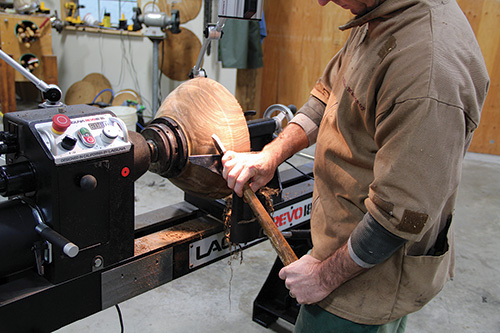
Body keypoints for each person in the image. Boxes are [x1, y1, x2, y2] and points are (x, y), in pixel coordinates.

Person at [221, 0, 490, 331]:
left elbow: (401, 214)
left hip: (363, 279)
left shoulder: (428, 69)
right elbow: (329, 93)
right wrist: (272, 154)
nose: (321, 1)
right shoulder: (379, 12)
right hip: (342, 245)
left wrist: (323, 277)